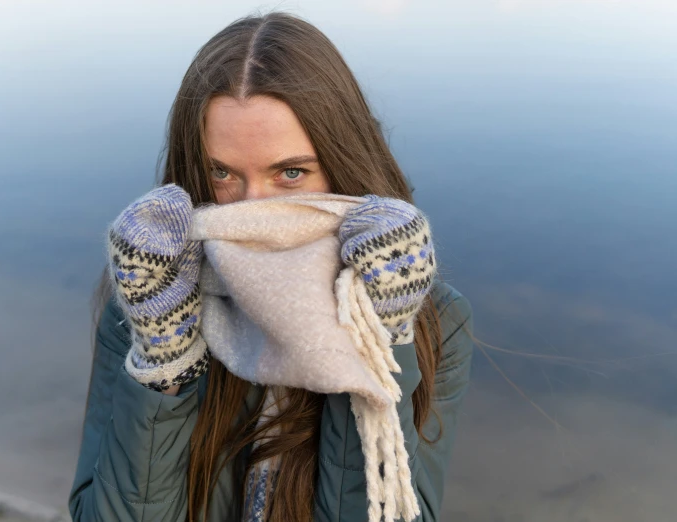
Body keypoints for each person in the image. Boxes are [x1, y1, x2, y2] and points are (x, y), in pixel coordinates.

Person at [69, 11, 473, 522]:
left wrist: (374, 339)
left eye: (290, 172)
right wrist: (165, 364)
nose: (249, 209)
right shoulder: (149, 301)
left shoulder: (431, 320)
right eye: (222, 173)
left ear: (340, 159)